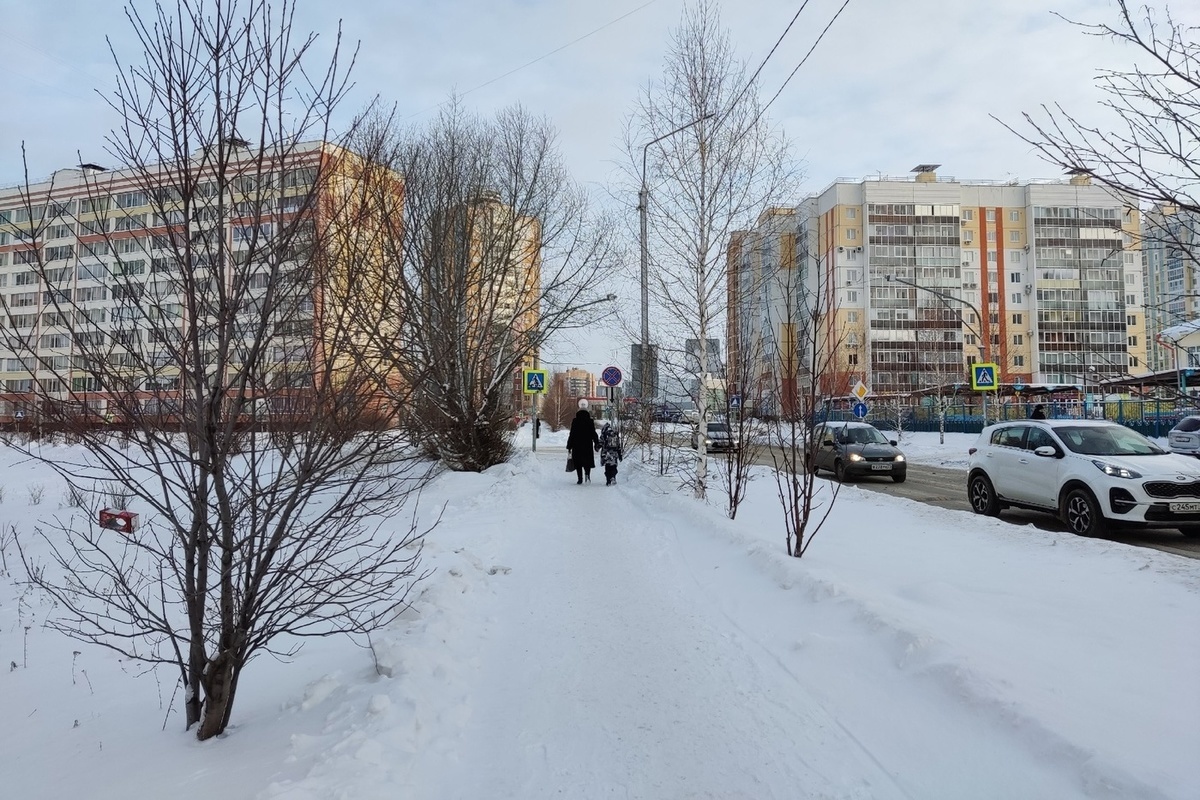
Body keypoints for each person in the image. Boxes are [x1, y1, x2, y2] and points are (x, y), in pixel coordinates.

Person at [566, 399, 600, 484]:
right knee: (587, 462)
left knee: (578, 462)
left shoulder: (575, 421)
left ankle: (580, 479)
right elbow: (593, 433)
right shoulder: (590, 421)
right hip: (587, 445)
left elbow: (572, 434)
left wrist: (569, 446)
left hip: (577, 445)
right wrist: (596, 442)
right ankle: (587, 476)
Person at [599, 421, 623, 485]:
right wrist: (620, 455)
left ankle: (608, 481)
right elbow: (618, 446)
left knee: (607, 467)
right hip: (614, 453)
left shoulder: (604, 434)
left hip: (606, 453)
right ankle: (613, 477)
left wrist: (597, 447)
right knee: (614, 466)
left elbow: (600, 443)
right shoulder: (615, 435)